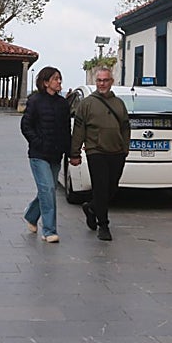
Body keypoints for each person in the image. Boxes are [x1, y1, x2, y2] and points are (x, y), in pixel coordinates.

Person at [70, 66, 130, 241]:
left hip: (117, 152)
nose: (102, 83)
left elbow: (126, 127)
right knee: (101, 187)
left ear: (111, 82)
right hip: (96, 151)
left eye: (105, 80)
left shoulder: (119, 103)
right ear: (95, 82)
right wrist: (75, 153)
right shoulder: (87, 103)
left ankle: (91, 207)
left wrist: (125, 148)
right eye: (99, 80)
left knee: (112, 187)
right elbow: (79, 130)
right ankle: (103, 225)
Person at [20, 66, 72, 244]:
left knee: (46, 190)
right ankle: (49, 231)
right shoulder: (34, 101)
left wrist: (70, 151)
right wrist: (37, 142)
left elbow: (66, 130)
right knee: (48, 189)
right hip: (39, 154)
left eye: (59, 78)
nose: (59, 82)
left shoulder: (63, 104)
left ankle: (30, 215)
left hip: (56, 154)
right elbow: (26, 126)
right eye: (55, 78)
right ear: (45, 82)